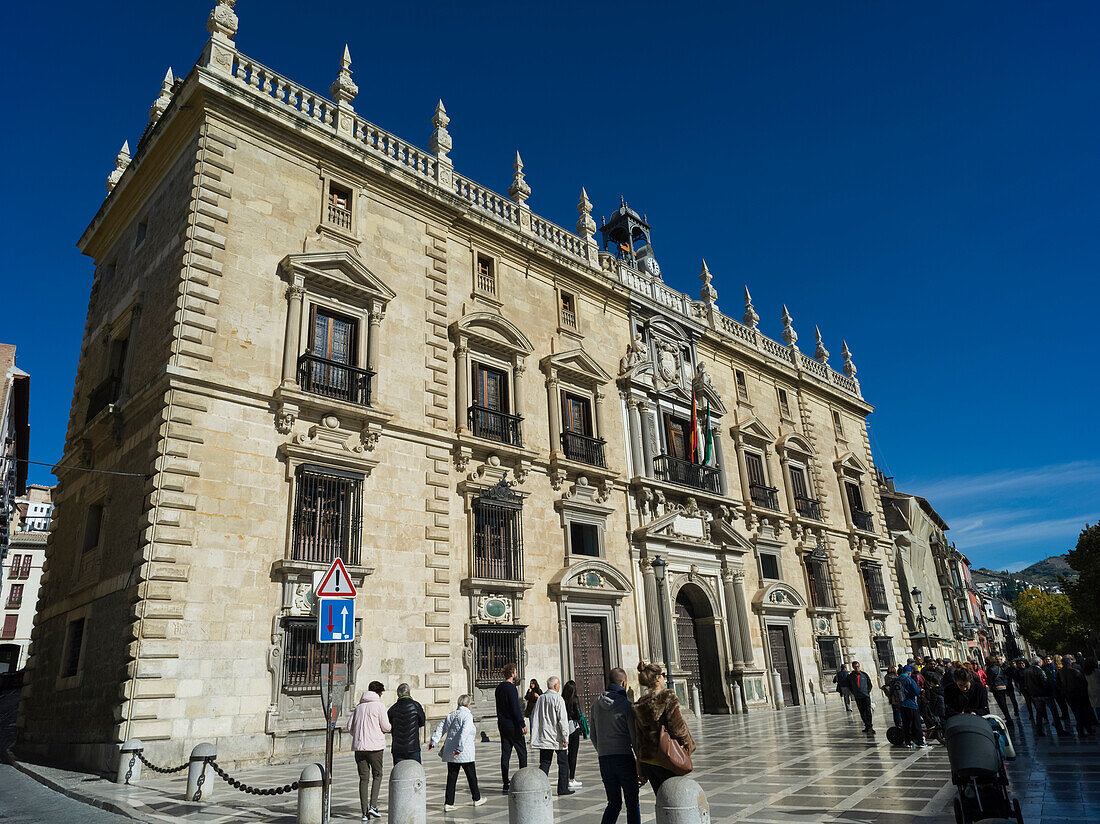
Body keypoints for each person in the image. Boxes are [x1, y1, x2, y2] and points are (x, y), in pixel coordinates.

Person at [633, 661, 696, 795]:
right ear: (657, 678)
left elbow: (639, 736)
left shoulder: (640, 704)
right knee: (675, 798)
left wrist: (640, 766)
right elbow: (678, 727)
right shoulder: (667, 697)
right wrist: (689, 745)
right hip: (666, 757)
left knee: (661, 798)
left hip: (648, 760)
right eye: (663, 675)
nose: (663, 678)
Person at [590, 667, 640, 824]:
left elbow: (592, 735)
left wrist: (602, 750)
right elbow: (634, 737)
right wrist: (641, 763)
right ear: (624, 683)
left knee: (613, 803)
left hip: (604, 759)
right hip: (624, 757)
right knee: (632, 803)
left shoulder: (596, 704)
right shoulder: (626, 705)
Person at [429, 694, 486, 812]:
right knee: (471, 777)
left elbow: (441, 727)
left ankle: (449, 803)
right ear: (468, 704)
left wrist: (434, 741)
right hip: (464, 752)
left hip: (451, 751)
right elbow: (464, 732)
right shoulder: (467, 716)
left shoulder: (451, 715)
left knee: (452, 777)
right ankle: (477, 798)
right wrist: (460, 747)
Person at [347, 682, 392, 821]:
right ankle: (373, 805)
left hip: (359, 748)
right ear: (379, 693)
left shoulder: (359, 707)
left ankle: (364, 812)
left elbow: (350, 727)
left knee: (363, 779)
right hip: (375, 747)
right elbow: (385, 726)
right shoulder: (379, 706)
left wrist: (359, 735)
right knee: (377, 775)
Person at [530, 675, 572, 796]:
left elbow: (536, 716)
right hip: (557, 736)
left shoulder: (541, 698)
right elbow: (562, 720)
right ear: (555, 686)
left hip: (545, 736)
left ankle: (540, 787)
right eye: (558, 685)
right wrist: (565, 737)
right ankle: (562, 788)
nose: (559, 687)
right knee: (563, 763)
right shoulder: (558, 699)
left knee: (544, 763)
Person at [495, 663, 527, 793]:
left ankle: (505, 782)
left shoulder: (499, 688)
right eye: (515, 671)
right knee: (522, 752)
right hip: (513, 725)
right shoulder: (511, 688)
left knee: (505, 754)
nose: (516, 673)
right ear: (512, 673)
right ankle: (523, 780)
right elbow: (515, 708)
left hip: (502, 725)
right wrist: (522, 723)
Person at [1024, 656, 1065, 737]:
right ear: (1039, 662)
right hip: (1045, 694)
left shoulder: (1027, 671)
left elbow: (1026, 684)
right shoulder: (1040, 670)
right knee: (1054, 712)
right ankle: (1059, 730)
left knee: (1039, 713)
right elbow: (1045, 682)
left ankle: (1039, 730)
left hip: (1035, 695)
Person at [1057, 654, 1096, 737]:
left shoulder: (1060, 672)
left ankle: (1083, 729)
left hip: (1069, 695)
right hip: (1078, 694)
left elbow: (1059, 684)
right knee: (1082, 712)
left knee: (1077, 713)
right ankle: (1084, 730)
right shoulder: (1075, 671)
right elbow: (1084, 682)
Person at [387, 683, 426, 765]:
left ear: (398, 694)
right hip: (413, 746)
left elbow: (389, 725)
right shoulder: (416, 706)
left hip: (398, 748)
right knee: (416, 771)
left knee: (398, 773)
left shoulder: (393, 708)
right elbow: (422, 722)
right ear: (409, 692)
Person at [561, 680, 586, 790]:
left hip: (564, 727)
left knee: (564, 754)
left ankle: (565, 778)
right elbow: (578, 715)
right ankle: (571, 779)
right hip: (573, 727)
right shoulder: (574, 700)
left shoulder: (562, 699)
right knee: (573, 754)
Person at [894, 666, 923, 748]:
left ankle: (908, 742)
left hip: (901, 705)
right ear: (909, 672)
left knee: (906, 723)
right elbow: (916, 691)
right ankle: (920, 741)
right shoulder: (909, 680)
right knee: (916, 723)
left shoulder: (897, 679)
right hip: (911, 704)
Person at [988, 656, 1018, 720]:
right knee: (1003, 703)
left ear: (1001, 660)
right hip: (1003, 686)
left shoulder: (1005, 667)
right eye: (997, 659)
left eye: (999, 659)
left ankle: (1015, 711)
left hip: (1006, 686)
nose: (998, 661)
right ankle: (1008, 716)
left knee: (1011, 700)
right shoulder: (998, 668)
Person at [847, 661, 875, 732]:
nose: (857, 668)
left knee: (868, 711)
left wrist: (867, 691)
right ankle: (866, 725)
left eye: (858, 666)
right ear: (853, 667)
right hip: (858, 697)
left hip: (865, 696)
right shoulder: (851, 676)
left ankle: (870, 726)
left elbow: (869, 684)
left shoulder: (864, 675)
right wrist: (854, 692)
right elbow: (850, 686)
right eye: (855, 667)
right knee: (862, 711)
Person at [1082, 657, 1100, 723]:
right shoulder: (1097, 671)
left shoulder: (1086, 672)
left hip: (1090, 689)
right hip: (1098, 689)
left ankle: (1098, 718)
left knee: (1096, 706)